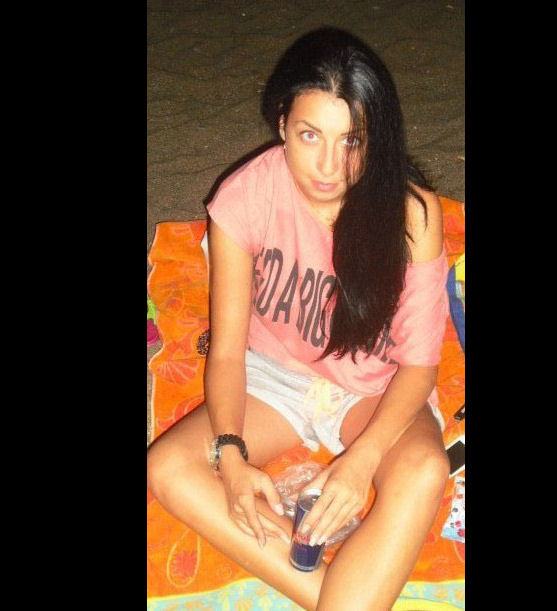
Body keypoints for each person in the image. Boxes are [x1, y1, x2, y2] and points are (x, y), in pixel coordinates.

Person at [147, 27, 451, 611]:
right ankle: (340, 598)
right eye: (311, 135)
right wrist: (231, 458)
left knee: (423, 469)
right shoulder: (245, 196)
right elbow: (228, 351)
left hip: (369, 389)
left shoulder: (411, 213)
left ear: (375, 137)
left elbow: (418, 367)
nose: (330, 166)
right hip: (273, 378)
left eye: (351, 140)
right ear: (283, 123)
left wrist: (361, 461)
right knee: (169, 467)